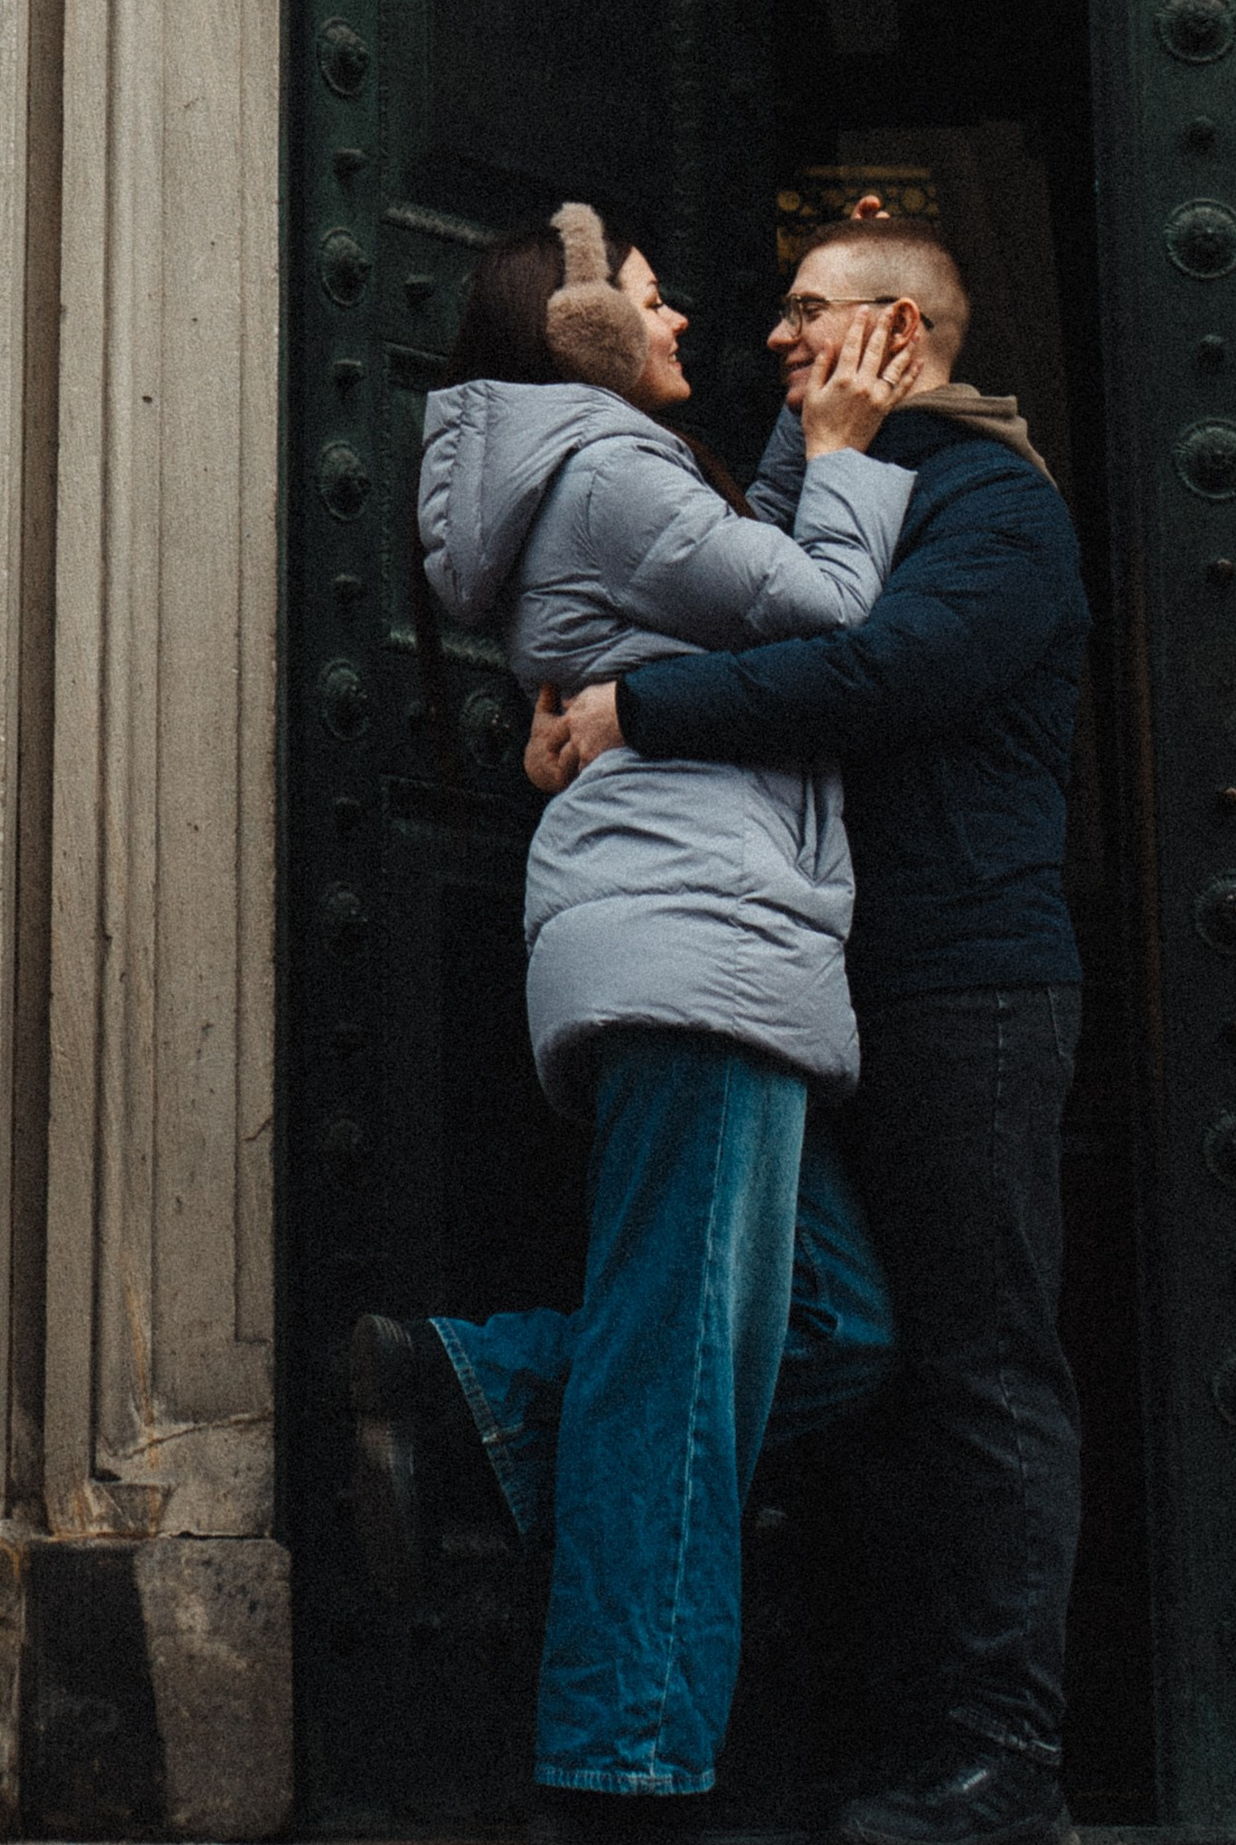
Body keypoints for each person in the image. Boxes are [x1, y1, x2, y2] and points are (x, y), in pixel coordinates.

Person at [351, 201, 919, 1840]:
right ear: (577, 334)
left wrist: (802, 461)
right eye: (657, 305)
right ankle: (625, 1771)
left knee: (838, 1330)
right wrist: (853, 443)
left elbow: (745, 599)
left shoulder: (609, 479)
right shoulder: (608, 473)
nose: (688, 330)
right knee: (676, 1378)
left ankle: (481, 1391)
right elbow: (824, 618)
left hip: (711, 939)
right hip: (699, 949)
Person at [532, 214, 1091, 1845]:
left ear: (899, 334)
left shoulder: (993, 503)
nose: (779, 338)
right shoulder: (805, 492)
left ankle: (1005, 1767)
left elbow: (877, 674)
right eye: (775, 314)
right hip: (830, 986)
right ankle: (885, 1727)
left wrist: (638, 711)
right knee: (832, 1338)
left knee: (982, 1372)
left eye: (809, 314)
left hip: (968, 986)